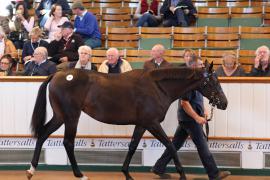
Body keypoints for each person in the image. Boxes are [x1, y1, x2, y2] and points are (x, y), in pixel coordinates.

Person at [151, 55, 231, 180]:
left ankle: (159, 167)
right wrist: (197, 118)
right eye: (200, 65)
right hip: (189, 119)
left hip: (187, 119)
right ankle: (214, 174)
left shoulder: (197, 80)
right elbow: (184, 103)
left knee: (175, 144)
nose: (203, 67)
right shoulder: (187, 82)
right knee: (202, 146)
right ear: (193, 66)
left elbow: (199, 98)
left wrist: (203, 110)